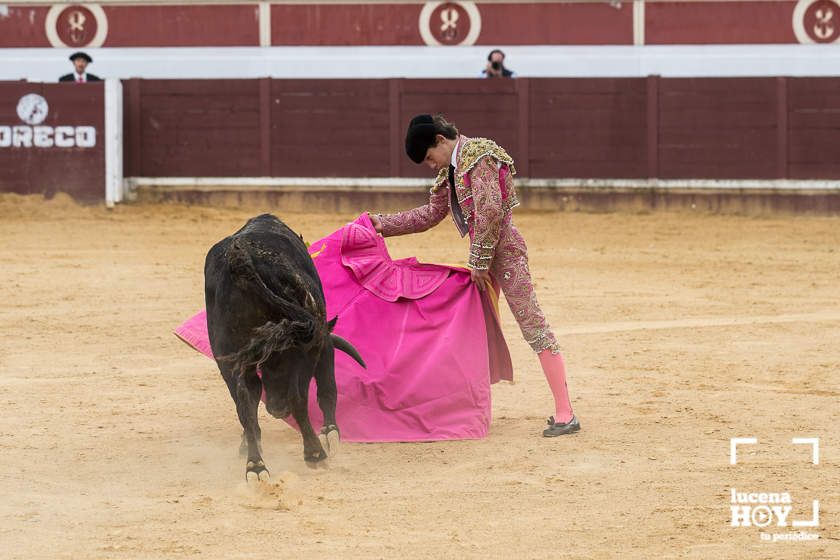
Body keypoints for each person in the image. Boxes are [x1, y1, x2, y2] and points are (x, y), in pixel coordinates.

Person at [369, 114, 579, 437]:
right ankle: (464, 410)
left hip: (506, 254)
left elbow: (492, 210)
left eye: (428, 157)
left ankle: (565, 412)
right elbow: (430, 214)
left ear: (440, 140)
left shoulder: (479, 155)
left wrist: (479, 262)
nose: (430, 165)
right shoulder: (450, 171)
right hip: (482, 261)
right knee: (469, 332)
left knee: (532, 324)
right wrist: (384, 225)